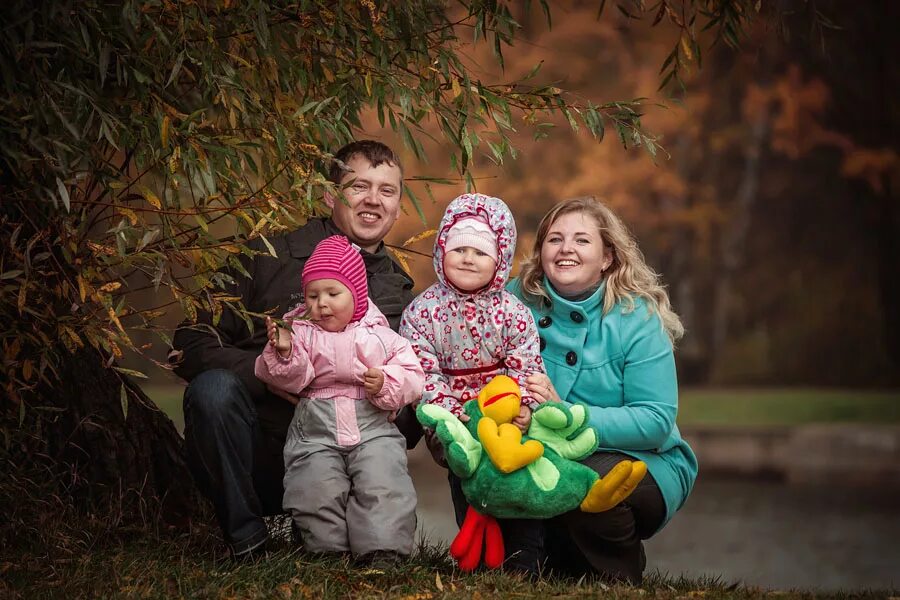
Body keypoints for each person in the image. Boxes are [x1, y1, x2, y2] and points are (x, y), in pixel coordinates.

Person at [169, 140, 421, 559]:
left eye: (387, 190)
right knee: (212, 390)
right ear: (329, 194)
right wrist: (269, 376)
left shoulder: (399, 288)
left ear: (397, 206)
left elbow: (411, 394)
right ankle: (247, 541)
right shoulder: (267, 255)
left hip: (352, 457)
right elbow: (191, 340)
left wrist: (393, 396)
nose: (373, 201)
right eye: (359, 186)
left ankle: (365, 543)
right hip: (263, 447)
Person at [508, 196, 698, 584]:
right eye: (554, 239)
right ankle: (541, 567)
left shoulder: (636, 318)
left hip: (644, 457)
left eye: (581, 240)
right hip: (537, 449)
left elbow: (656, 421)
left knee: (586, 478)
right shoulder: (514, 300)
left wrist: (571, 415)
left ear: (607, 257)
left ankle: (617, 577)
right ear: (541, 251)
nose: (566, 249)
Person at [399, 193, 547, 574]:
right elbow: (424, 372)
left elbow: (525, 364)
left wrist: (524, 405)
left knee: (519, 485)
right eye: (458, 248)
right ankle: (478, 558)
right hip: (456, 424)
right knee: (470, 486)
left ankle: (525, 562)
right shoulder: (423, 311)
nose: (468, 258)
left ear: (499, 262)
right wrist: (450, 420)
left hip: (506, 418)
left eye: (480, 252)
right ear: (441, 251)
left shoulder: (512, 312)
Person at [254, 235, 424, 562]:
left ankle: (382, 551)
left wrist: (386, 381)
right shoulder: (298, 330)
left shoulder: (378, 335)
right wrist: (285, 352)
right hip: (315, 428)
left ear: (357, 295)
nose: (322, 304)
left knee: (383, 483)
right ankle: (325, 551)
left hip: (372, 424)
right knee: (315, 486)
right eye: (313, 295)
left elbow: (413, 375)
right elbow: (275, 374)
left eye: (333, 293)